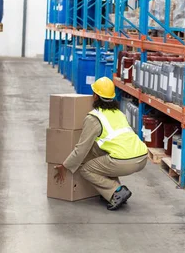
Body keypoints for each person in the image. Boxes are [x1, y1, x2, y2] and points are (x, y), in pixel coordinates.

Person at [54, 77, 148, 210]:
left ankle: (116, 191)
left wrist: (65, 166)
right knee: (100, 154)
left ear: (95, 96)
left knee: (86, 170)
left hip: (124, 161)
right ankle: (119, 193)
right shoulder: (118, 113)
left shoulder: (94, 118)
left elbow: (81, 149)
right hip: (142, 157)